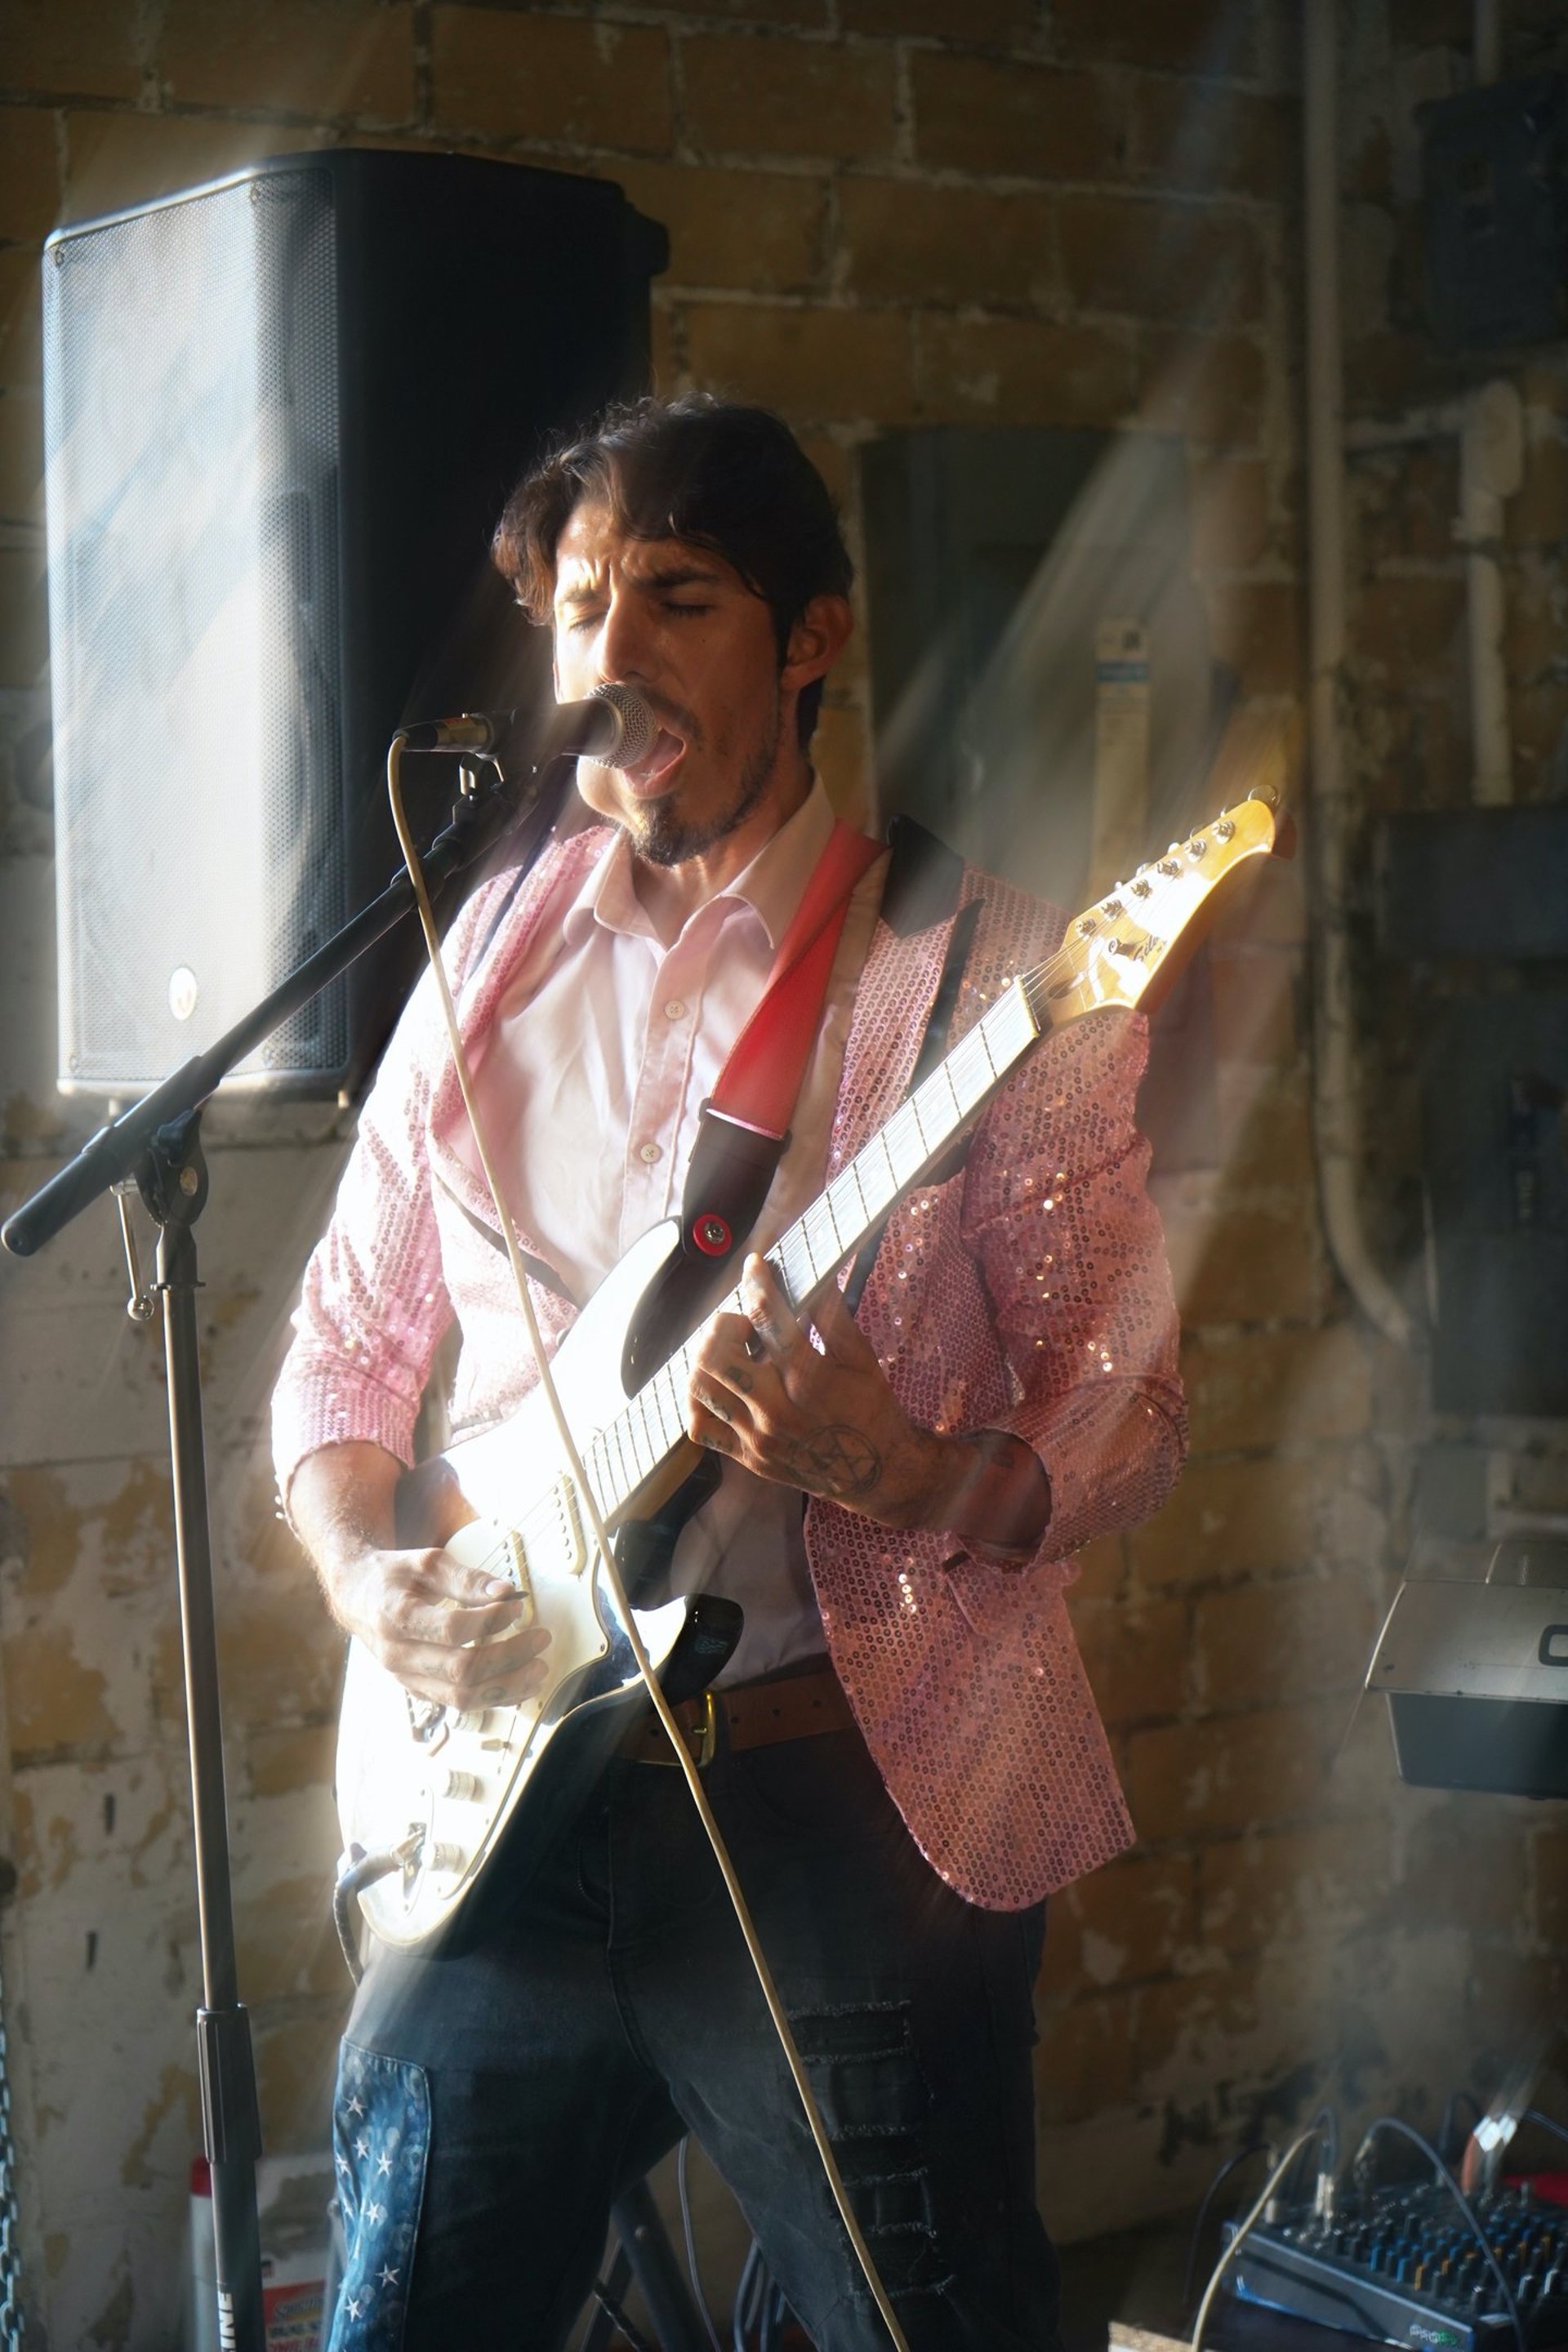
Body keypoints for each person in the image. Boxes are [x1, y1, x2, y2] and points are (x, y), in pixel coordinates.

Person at [272, 394, 1187, 2350]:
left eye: (676, 598)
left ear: (814, 639)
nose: (609, 653)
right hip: (500, 1817)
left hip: (826, 1812)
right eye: (583, 607)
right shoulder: (482, 960)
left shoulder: (974, 973)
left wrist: (916, 1466)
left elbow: (1132, 1404)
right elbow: (346, 1348)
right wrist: (371, 1582)